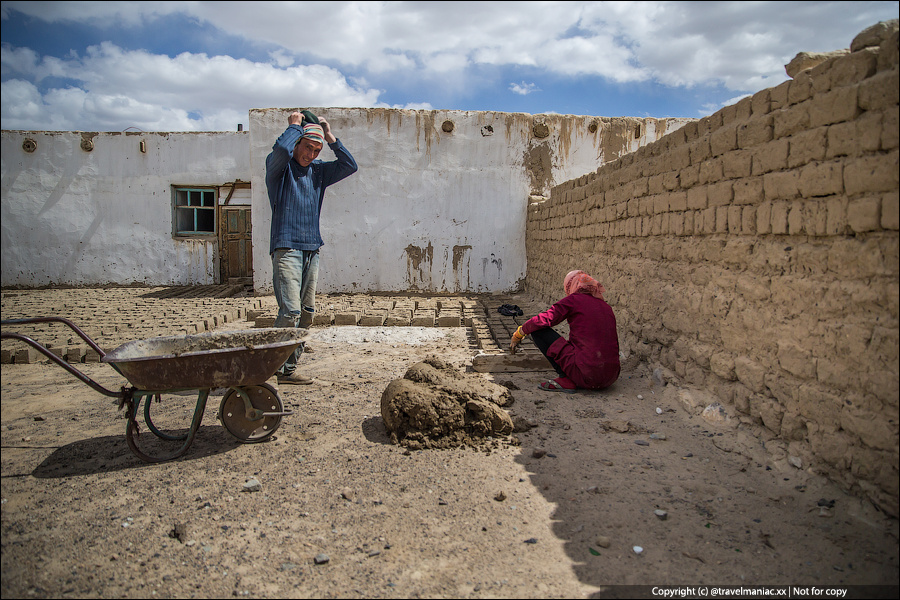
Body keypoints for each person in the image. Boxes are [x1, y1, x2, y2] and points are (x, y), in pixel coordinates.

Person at [265, 110, 358, 384]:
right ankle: (267, 369)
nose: (312, 154)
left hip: (311, 249)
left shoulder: (318, 172)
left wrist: (330, 137)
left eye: (317, 150)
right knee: (290, 311)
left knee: (306, 312)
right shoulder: (279, 170)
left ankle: (287, 370)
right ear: (297, 144)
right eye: (308, 147)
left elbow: (349, 165)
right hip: (287, 248)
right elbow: (281, 148)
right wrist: (294, 126)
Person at [509, 270, 620, 393]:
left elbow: (543, 320)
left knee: (538, 330)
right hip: (611, 376)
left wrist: (520, 332)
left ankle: (565, 378)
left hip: (587, 375)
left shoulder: (574, 300)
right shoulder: (606, 306)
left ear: (571, 285)